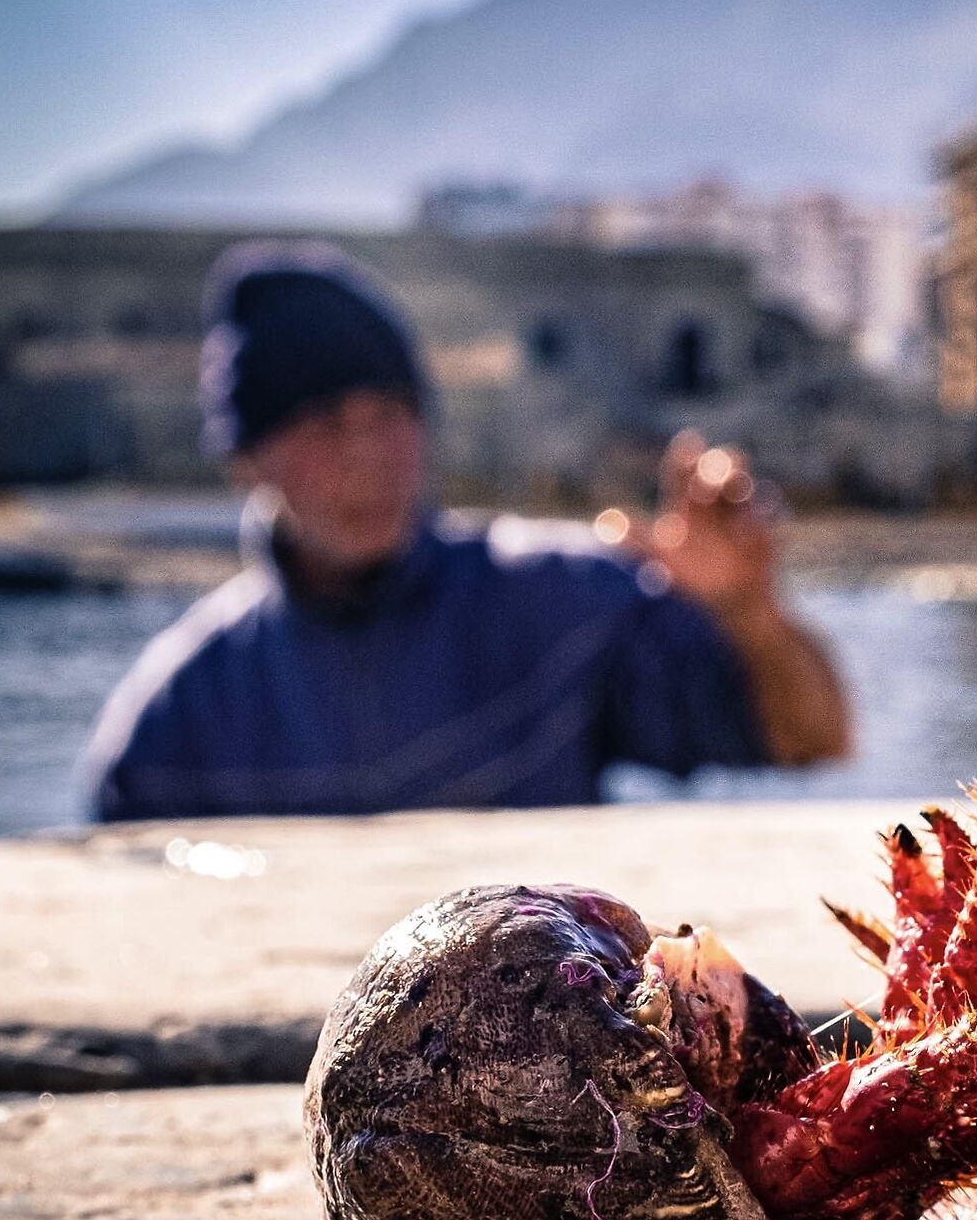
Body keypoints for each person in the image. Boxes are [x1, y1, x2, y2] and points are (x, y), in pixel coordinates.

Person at [82, 242, 849, 822]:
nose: (366, 457)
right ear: (246, 460)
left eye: (388, 414)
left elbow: (812, 741)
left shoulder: (566, 601)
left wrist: (748, 613)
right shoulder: (176, 717)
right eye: (323, 425)